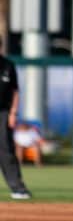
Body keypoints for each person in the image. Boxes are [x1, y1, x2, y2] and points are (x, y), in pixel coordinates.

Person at [0, 37, 32, 199]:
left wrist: (13, 112)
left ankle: (17, 188)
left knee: (6, 148)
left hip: (3, 111)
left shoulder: (7, 66)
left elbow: (15, 91)